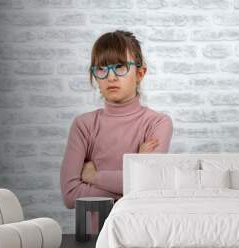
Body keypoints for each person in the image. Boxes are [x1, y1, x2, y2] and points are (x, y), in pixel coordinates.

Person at [60, 30, 173, 209]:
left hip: (140, 227)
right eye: (101, 68)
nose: (111, 77)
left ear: (140, 73)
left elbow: (148, 186)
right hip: (95, 230)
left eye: (120, 66)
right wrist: (135, 171)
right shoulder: (83, 125)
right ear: (94, 75)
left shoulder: (157, 123)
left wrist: (94, 177)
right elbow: (70, 195)